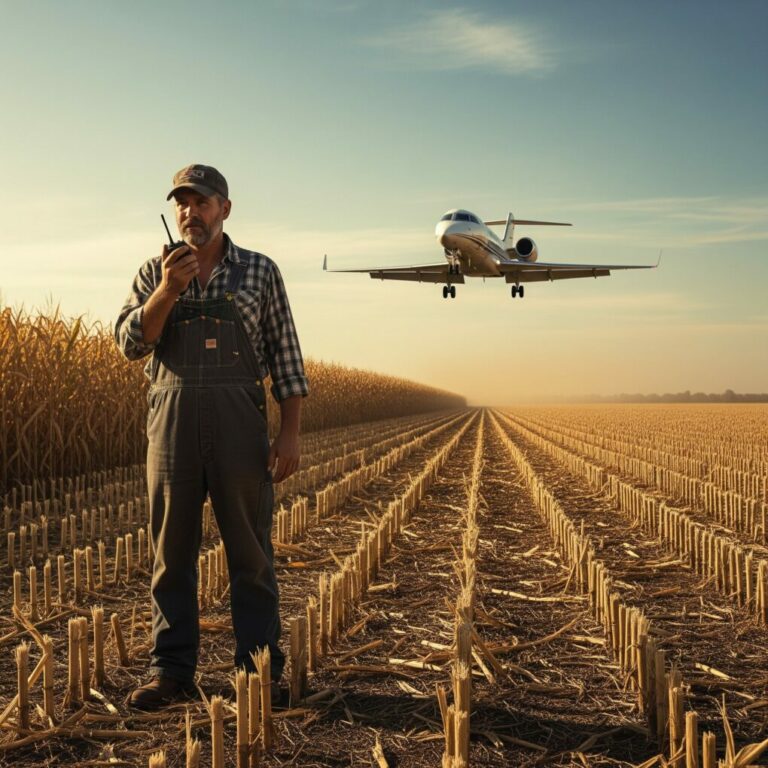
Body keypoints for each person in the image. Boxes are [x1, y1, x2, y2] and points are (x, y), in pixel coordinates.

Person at [114, 164, 309, 710]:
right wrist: (169, 290)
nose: (190, 213)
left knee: (250, 553)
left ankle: (259, 668)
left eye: (201, 203)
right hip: (170, 426)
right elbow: (130, 344)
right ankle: (171, 670)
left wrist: (289, 433)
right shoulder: (155, 271)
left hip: (239, 428)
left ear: (225, 208)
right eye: (182, 204)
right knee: (170, 554)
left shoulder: (260, 272)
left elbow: (286, 358)